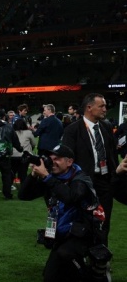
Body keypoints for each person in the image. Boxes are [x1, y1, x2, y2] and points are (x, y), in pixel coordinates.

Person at [18, 144, 111, 282]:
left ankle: (99, 273)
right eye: (50, 158)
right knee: (51, 276)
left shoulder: (80, 179)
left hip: (84, 233)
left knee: (65, 255)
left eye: (57, 159)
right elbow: (24, 195)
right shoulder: (52, 178)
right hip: (62, 233)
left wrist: (46, 177)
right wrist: (33, 175)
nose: (52, 162)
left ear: (69, 162)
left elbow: (70, 197)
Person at [61, 93, 118, 246]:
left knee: (104, 221)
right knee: (83, 220)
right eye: (102, 106)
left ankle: (101, 256)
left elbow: (112, 153)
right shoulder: (73, 130)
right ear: (89, 107)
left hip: (105, 182)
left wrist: (114, 175)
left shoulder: (106, 126)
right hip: (84, 184)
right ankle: (82, 254)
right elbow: (67, 159)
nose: (105, 109)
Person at [10, 118, 36, 185]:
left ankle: (8, 188)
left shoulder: (12, 133)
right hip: (24, 156)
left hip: (13, 155)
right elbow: (33, 143)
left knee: (12, 172)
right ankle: (23, 189)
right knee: (23, 174)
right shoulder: (28, 132)